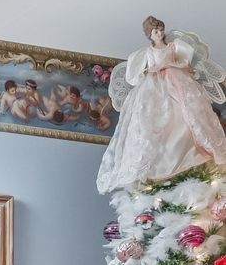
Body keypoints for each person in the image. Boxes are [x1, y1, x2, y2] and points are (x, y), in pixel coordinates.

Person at [97, 16, 226, 193]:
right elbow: (136, 74)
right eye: (154, 31)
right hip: (155, 89)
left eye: (160, 29)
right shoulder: (146, 53)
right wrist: (154, 69)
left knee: (185, 118)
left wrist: (174, 64)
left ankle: (192, 153)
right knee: (154, 120)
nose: (158, 33)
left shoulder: (176, 47)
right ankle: (161, 164)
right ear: (150, 35)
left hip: (179, 86)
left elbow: (185, 63)